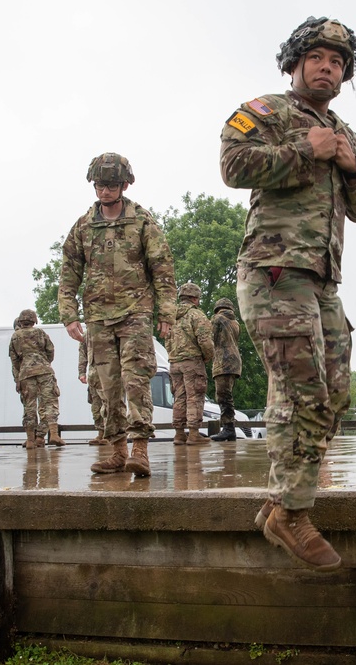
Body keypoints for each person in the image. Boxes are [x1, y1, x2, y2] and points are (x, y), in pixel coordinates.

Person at [220, 16, 356, 571]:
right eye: (318, 58)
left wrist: (350, 166)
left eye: (338, 63)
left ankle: (280, 504)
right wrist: (304, 152)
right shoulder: (264, 112)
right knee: (300, 390)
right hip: (272, 271)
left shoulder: (348, 135)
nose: (328, 68)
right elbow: (233, 167)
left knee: (334, 397)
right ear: (294, 63)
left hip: (322, 282)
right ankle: (293, 512)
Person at [59, 152, 177, 477]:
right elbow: (69, 270)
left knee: (135, 379)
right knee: (107, 386)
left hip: (136, 312)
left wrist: (166, 311)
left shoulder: (141, 221)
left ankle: (140, 449)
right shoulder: (83, 226)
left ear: (124, 184)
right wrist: (69, 314)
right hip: (97, 317)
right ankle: (116, 450)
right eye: (99, 184)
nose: (105, 191)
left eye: (111, 184)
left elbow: (162, 267)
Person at [9, 308, 64, 450]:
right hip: (44, 371)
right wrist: (44, 362)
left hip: (26, 373)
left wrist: (20, 375)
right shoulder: (40, 333)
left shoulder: (15, 336)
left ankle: (30, 440)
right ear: (34, 320)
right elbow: (50, 350)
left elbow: (14, 359)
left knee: (29, 406)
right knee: (49, 401)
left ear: (20, 321)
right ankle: (53, 434)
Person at [167, 282, 215, 445]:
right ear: (195, 298)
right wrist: (208, 356)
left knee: (179, 397)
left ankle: (179, 434)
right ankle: (194, 433)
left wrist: (173, 355)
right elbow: (205, 341)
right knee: (195, 395)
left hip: (174, 363)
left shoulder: (171, 317)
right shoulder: (197, 315)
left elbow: (166, 340)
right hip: (192, 361)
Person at [210, 297, 243, 442]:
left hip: (223, 360)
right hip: (235, 361)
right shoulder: (235, 323)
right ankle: (229, 428)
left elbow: (209, 338)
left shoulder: (217, 320)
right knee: (227, 395)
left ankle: (229, 428)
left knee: (223, 396)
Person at [77, 330, 109, 446]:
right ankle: (101, 433)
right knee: (96, 407)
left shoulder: (111, 330)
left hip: (109, 373)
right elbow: (82, 354)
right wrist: (81, 373)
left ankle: (109, 434)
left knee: (108, 404)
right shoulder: (87, 334)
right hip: (94, 375)